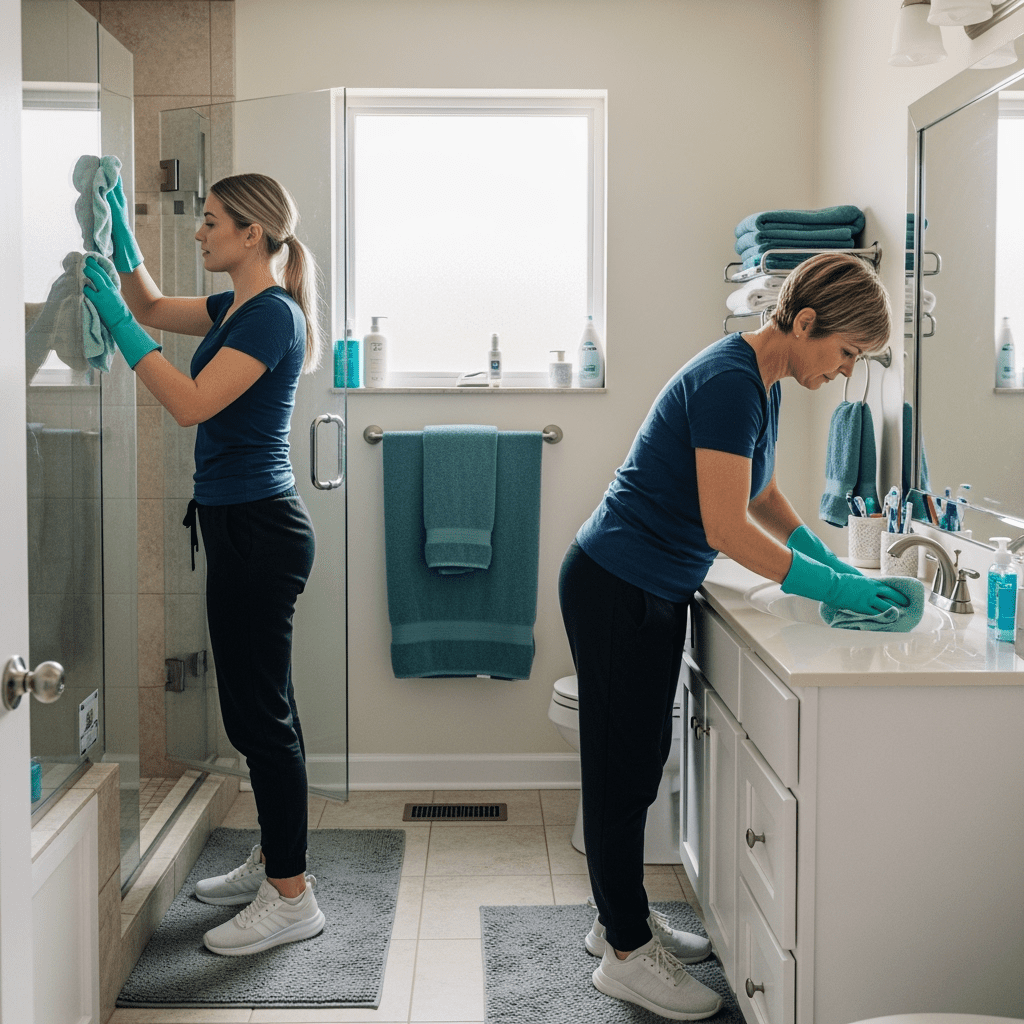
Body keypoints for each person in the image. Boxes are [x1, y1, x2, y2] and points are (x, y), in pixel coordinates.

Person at [558, 251, 908, 1019]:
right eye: (847, 352)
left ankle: (618, 922)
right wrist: (834, 587)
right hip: (619, 585)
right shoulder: (729, 383)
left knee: (636, 764)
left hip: (644, 584)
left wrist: (822, 554)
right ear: (806, 323)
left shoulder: (759, 379)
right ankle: (625, 956)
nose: (846, 372)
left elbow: (760, 490)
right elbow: (724, 527)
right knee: (621, 773)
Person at [83, 172, 326, 957]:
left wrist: (117, 325)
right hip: (241, 527)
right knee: (267, 708)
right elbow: (155, 306)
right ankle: (278, 860)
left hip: (258, 532)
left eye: (211, 221)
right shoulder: (238, 309)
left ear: (251, 234)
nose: (199, 233)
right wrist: (120, 236)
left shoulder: (273, 317)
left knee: (257, 718)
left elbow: (190, 403)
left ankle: (291, 897)